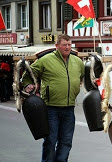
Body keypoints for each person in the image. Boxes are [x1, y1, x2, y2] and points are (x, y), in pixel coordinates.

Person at [23, 34, 84, 162]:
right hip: (51, 109)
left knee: (66, 142)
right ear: (56, 46)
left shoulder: (77, 61)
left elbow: (84, 76)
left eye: (69, 44)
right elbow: (28, 72)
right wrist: (28, 84)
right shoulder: (46, 60)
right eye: (64, 45)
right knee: (50, 141)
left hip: (69, 108)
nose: (67, 47)